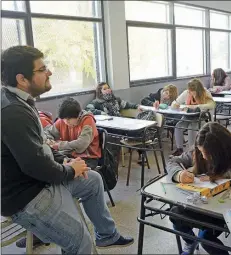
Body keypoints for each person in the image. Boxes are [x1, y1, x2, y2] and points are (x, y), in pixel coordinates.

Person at [1, 45, 133, 254]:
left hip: (39, 181)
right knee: (80, 241)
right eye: (42, 69)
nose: (50, 72)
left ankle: (107, 236)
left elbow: (42, 144)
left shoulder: (21, 102)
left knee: (92, 179)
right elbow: (36, 165)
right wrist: (69, 170)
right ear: (22, 79)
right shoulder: (13, 111)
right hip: (28, 196)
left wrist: (65, 161)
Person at [167, 122, 231, 255]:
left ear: (221, 151)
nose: (203, 157)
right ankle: (190, 241)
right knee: (175, 214)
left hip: (228, 209)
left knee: (205, 238)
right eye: (201, 152)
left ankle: (203, 236)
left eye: (208, 153)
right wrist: (179, 174)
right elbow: (173, 161)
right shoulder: (198, 151)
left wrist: (221, 174)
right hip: (204, 202)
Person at [46, 97, 101, 170]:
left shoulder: (87, 121)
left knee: (66, 170)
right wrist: (50, 141)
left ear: (78, 115)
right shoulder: (63, 120)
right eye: (64, 119)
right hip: (69, 154)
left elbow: (81, 144)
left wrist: (59, 145)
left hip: (88, 157)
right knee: (51, 164)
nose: (66, 122)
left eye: (68, 119)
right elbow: (48, 132)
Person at [171, 78, 215, 156]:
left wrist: (197, 106)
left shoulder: (205, 93)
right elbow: (175, 103)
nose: (190, 93)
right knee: (178, 127)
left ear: (198, 90)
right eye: (189, 90)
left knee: (191, 129)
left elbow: (212, 104)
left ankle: (192, 151)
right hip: (188, 116)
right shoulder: (186, 93)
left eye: (192, 91)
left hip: (200, 117)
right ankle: (179, 149)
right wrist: (175, 105)